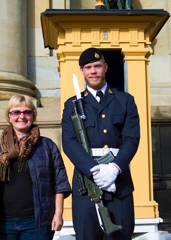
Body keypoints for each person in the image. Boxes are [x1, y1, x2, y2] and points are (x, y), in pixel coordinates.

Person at [61, 47, 140, 240]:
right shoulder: (72, 104)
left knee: (120, 235)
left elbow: (131, 138)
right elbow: (69, 142)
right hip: (87, 184)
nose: (93, 71)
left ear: (105, 67)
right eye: (88, 67)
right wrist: (94, 170)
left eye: (97, 66)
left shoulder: (125, 100)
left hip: (118, 182)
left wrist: (115, 168)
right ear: (82, 71)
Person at [0, 95, 71, 240]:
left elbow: (60, 183)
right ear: (9, 116)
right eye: (16, 112)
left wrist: (58, 214)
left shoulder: (47, 146)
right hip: (2, 222)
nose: (22, 116)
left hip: (37, 222)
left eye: (27, 112)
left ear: (33, 115)